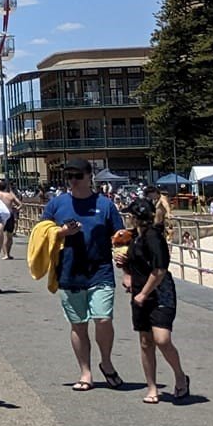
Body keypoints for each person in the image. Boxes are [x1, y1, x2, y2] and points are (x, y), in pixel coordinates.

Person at [44, 160, 126, 392]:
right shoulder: (57, 204)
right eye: (69, 176)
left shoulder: (105, 205)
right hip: (69, 271)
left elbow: (119, 237)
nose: (73, 180)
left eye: (78, 175)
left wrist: (126, 269)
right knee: (78, 325)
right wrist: (62, 232)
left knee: (103, 319)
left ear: (90, 176)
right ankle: (85, 372)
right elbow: (41, 235)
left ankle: (106, 361)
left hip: (100, 271)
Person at [121, 199, 190, 404]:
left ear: (136, 217)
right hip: (139, 292)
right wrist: (124, 268)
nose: (127, 219)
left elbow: (159, 270)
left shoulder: (154, 238)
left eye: (129, 216)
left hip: (160, 293)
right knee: (145, 341)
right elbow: (132, 263)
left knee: (162, 339)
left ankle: (180, 376)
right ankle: (152, 387)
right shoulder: (134, 238)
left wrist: (143, 293)